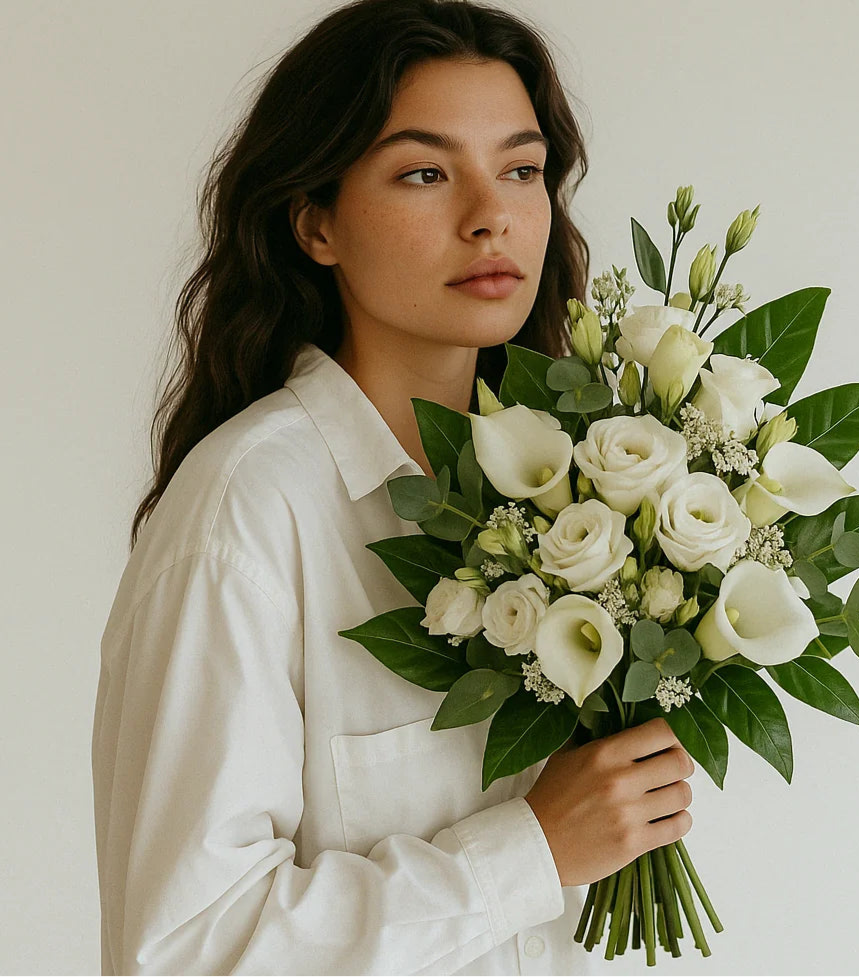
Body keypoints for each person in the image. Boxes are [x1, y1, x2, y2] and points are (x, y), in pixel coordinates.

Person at [90, 1, 695, 974]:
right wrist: (531, 848)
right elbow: (185, 947)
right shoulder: (246, 511)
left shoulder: (569, 498)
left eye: (521, 169)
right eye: (424, 171)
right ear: (314, 221)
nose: (488, 213)